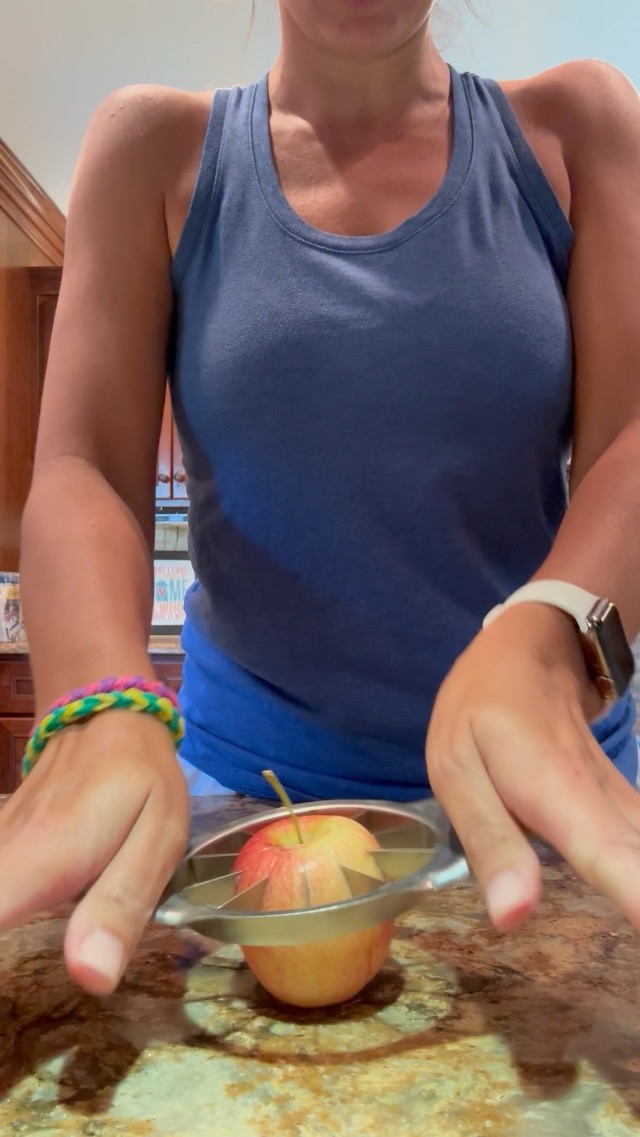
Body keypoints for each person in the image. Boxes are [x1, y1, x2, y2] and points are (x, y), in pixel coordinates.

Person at [4, 0, 640, 998]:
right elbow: (83, 467)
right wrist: (96, 699)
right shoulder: (152, 150)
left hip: (550, 790)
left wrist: (555, 644)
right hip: (249, 806)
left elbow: (629, 444)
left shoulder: (579, 127)